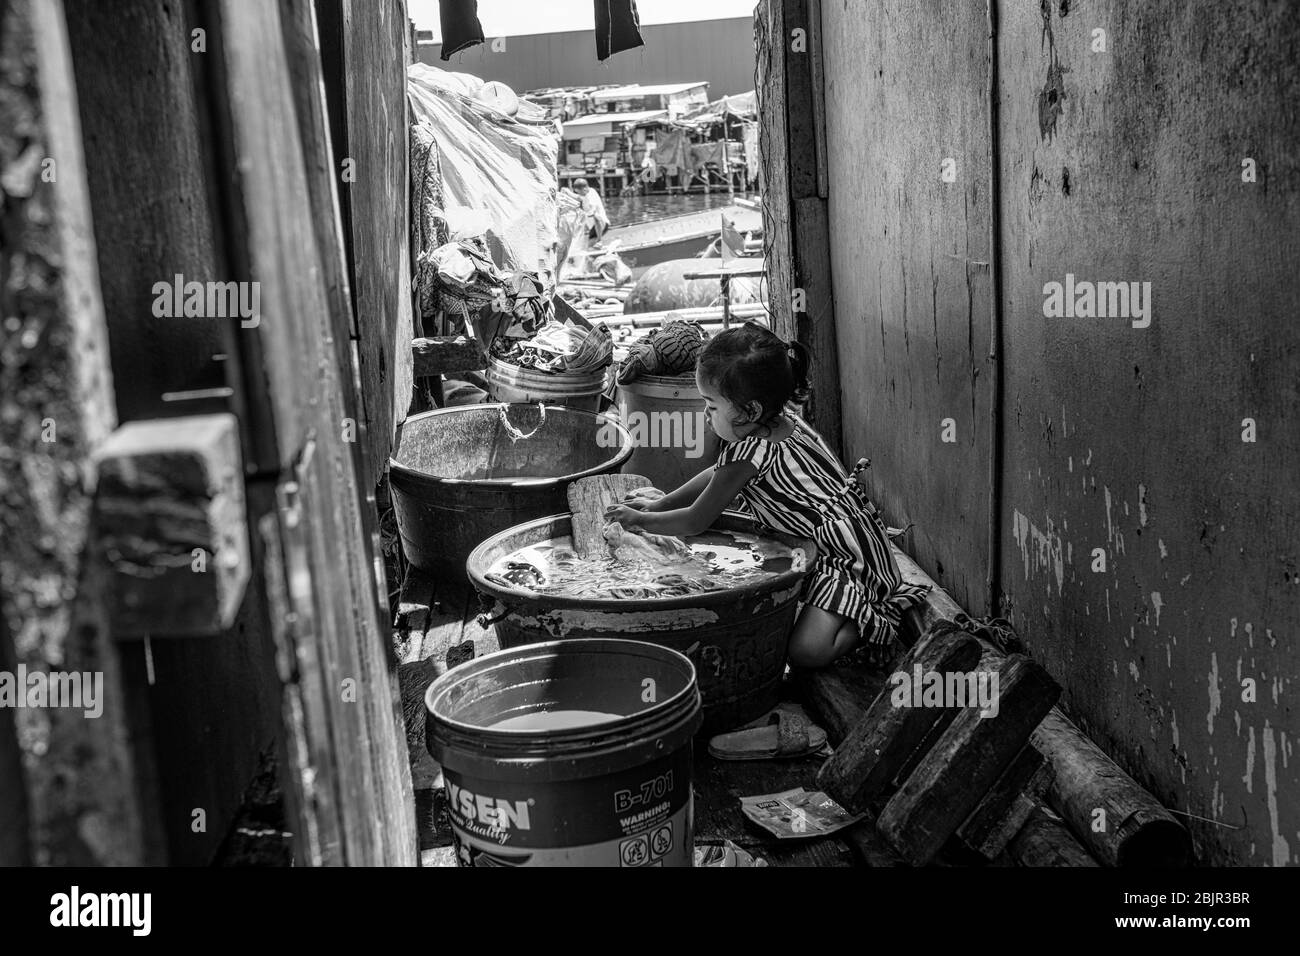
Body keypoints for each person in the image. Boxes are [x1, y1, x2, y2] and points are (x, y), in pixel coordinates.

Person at [607, 322, 928, 668]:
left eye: (711, 406)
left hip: (847, 558)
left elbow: (696, 521)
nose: (705, 414)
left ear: (750, 412)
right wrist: (659, 503)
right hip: (857, 535)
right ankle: (855, 608)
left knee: (805, 652)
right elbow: (717, 478)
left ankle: (877, 619)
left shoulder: (750, 453)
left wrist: (642, 520)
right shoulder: (780, 421)